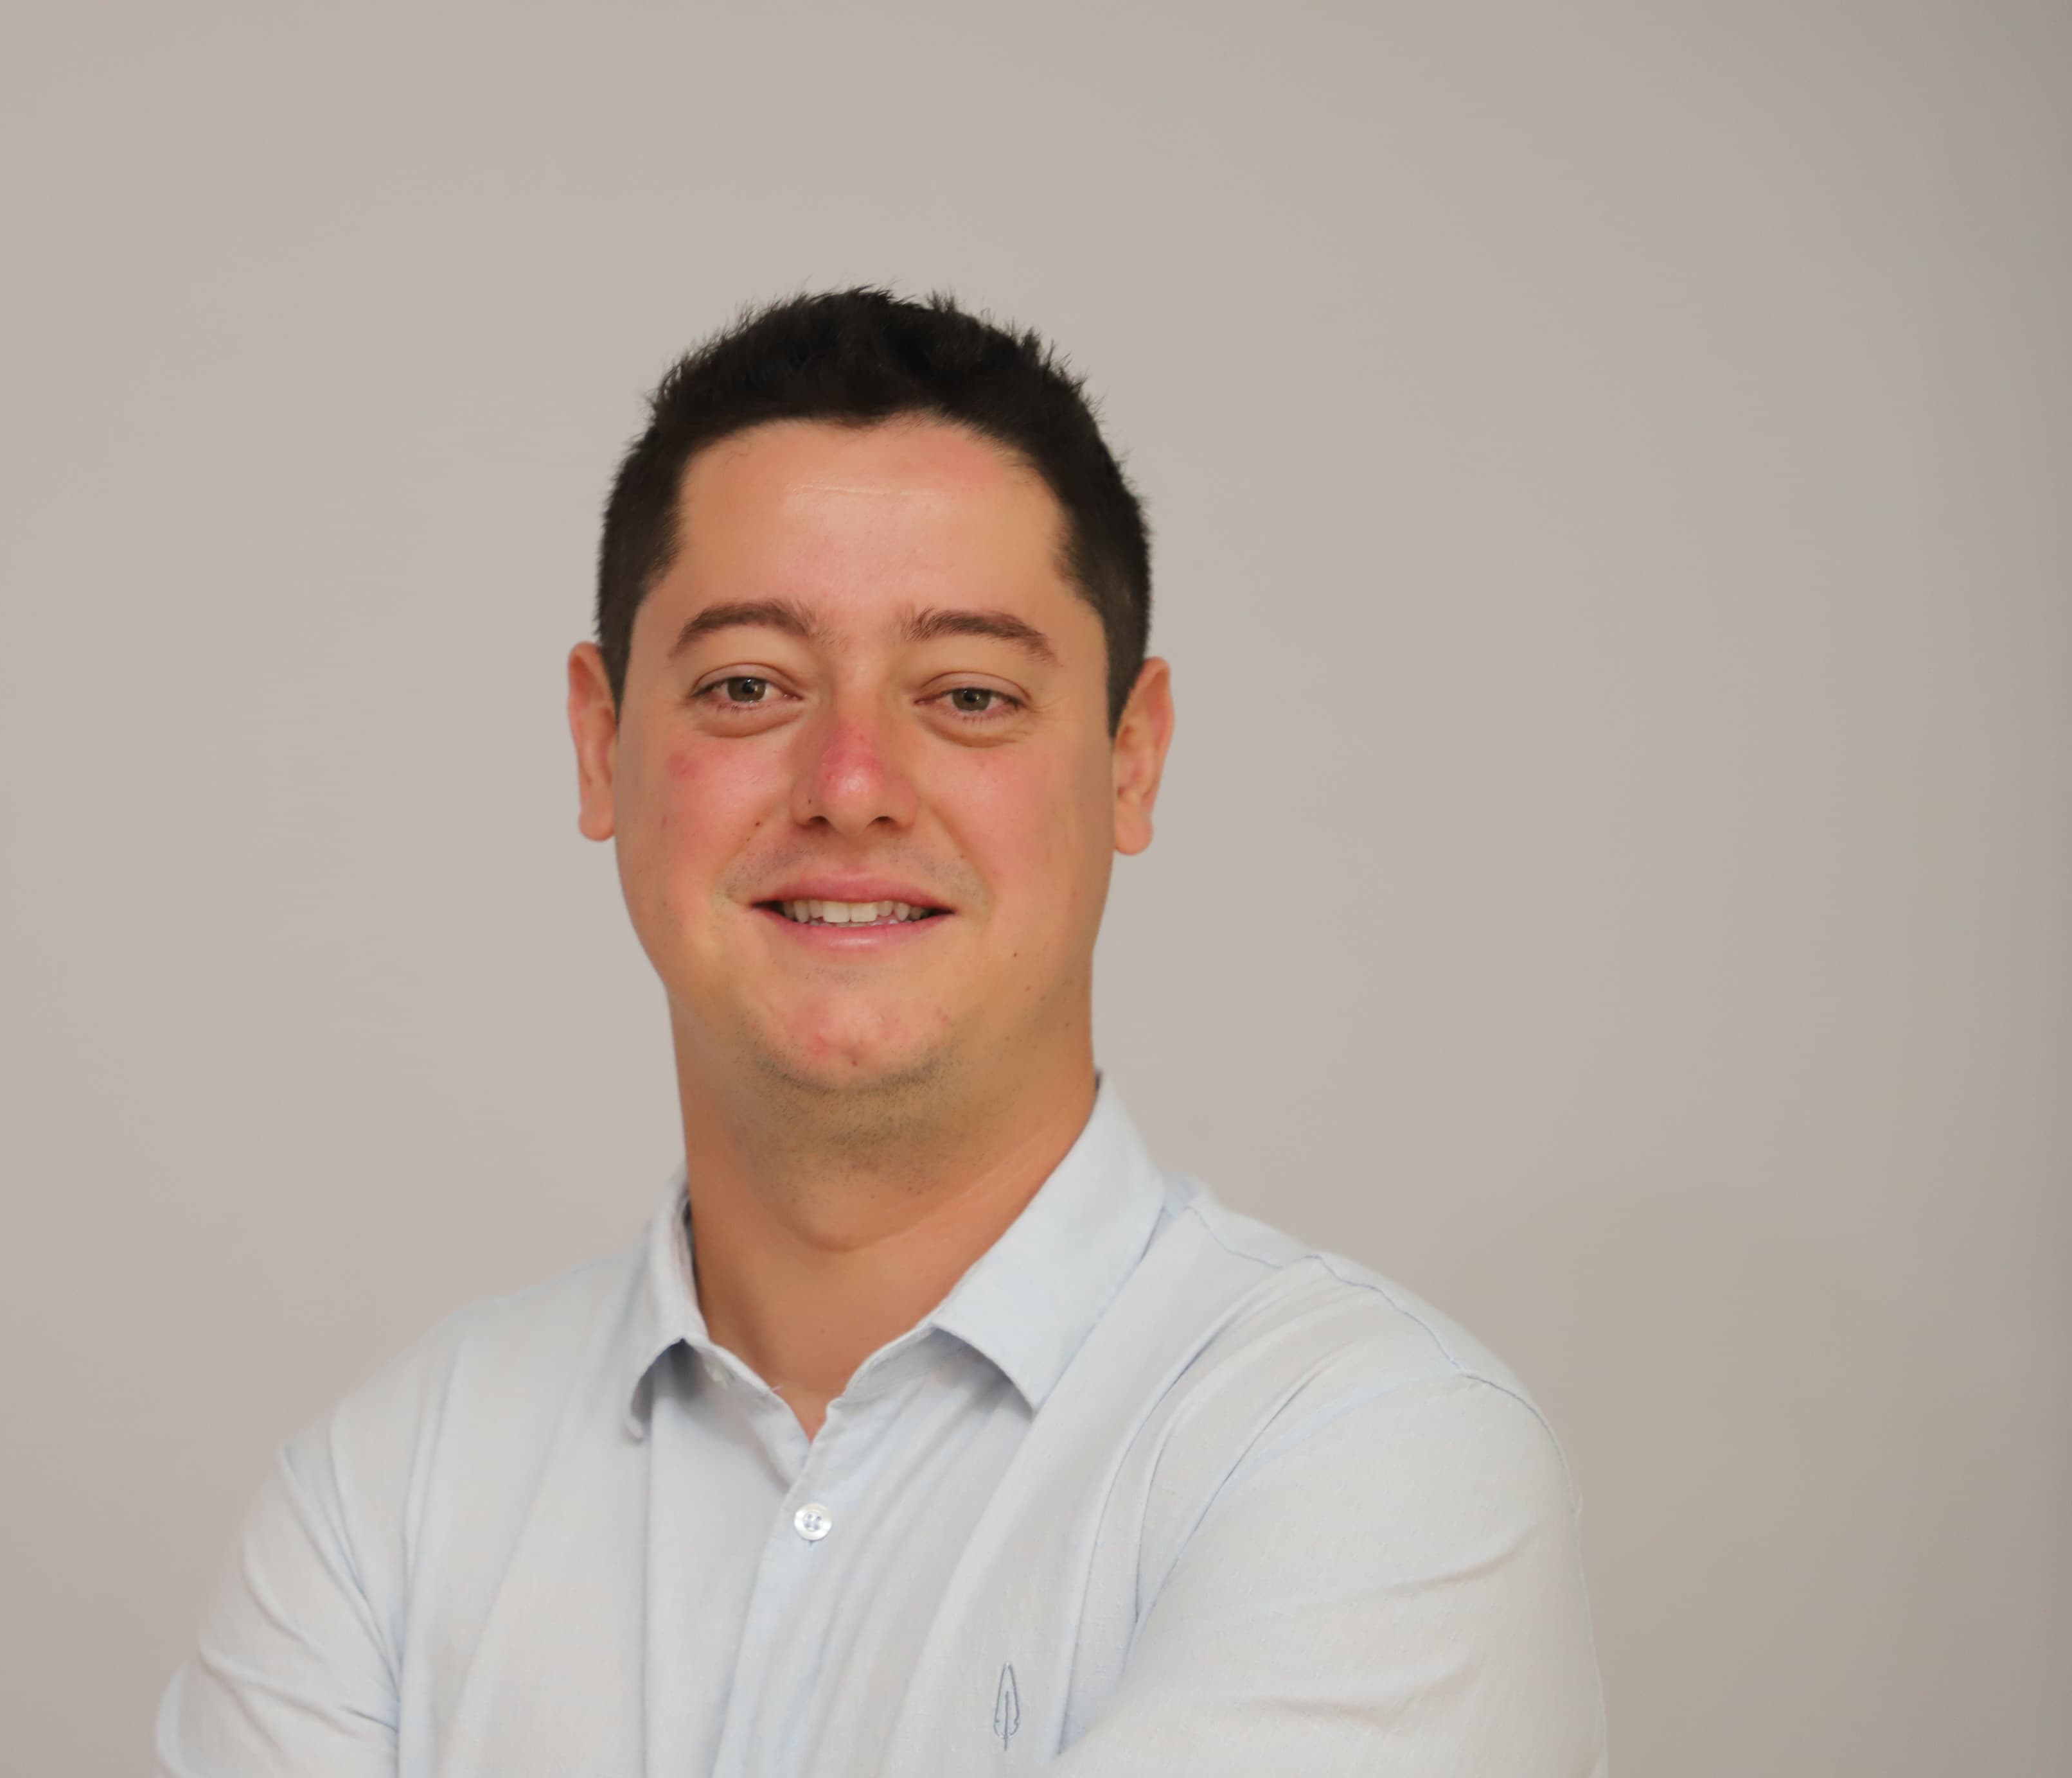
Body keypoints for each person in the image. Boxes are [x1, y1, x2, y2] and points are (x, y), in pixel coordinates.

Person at [154, 290, 1606, 1776]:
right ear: (601, 743)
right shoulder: (384, 1498)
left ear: (1130, 758)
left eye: (969, 694)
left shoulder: (1368, 1450)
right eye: (746, 687)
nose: (851, 784)